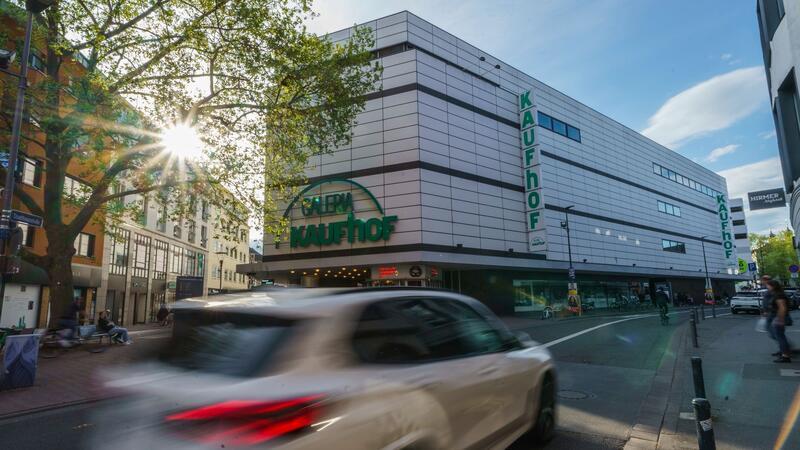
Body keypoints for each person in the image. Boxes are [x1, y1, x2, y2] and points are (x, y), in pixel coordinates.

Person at [765, 280, 793, 363]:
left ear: (773, 286)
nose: (767, 287)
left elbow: (782, 308)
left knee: (780, 337)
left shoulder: (779, 295)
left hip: (779, 318)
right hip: (777, 317)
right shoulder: (777, 294)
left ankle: (785, 356)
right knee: (779, 336)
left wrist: (779, 319)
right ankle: (784, 352)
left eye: (768, 286)